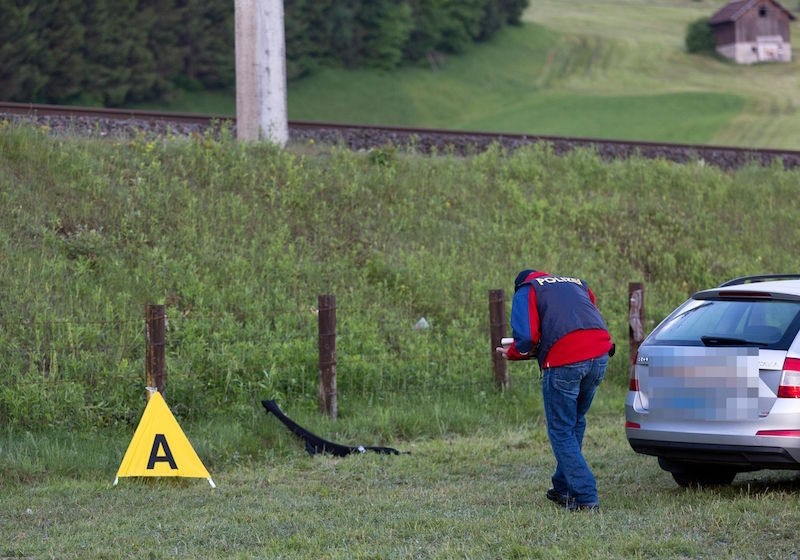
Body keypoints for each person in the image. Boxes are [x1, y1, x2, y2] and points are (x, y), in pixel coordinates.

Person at [496, 269, 613, 512]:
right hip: (600, 354)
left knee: (560, 430)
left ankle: (584, 495)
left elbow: (526, 337)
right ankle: (562, 487)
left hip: (565, 363)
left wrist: (514, 353)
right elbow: (585, 317)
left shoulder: (527, 289)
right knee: (575, 422)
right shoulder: (578, 282)